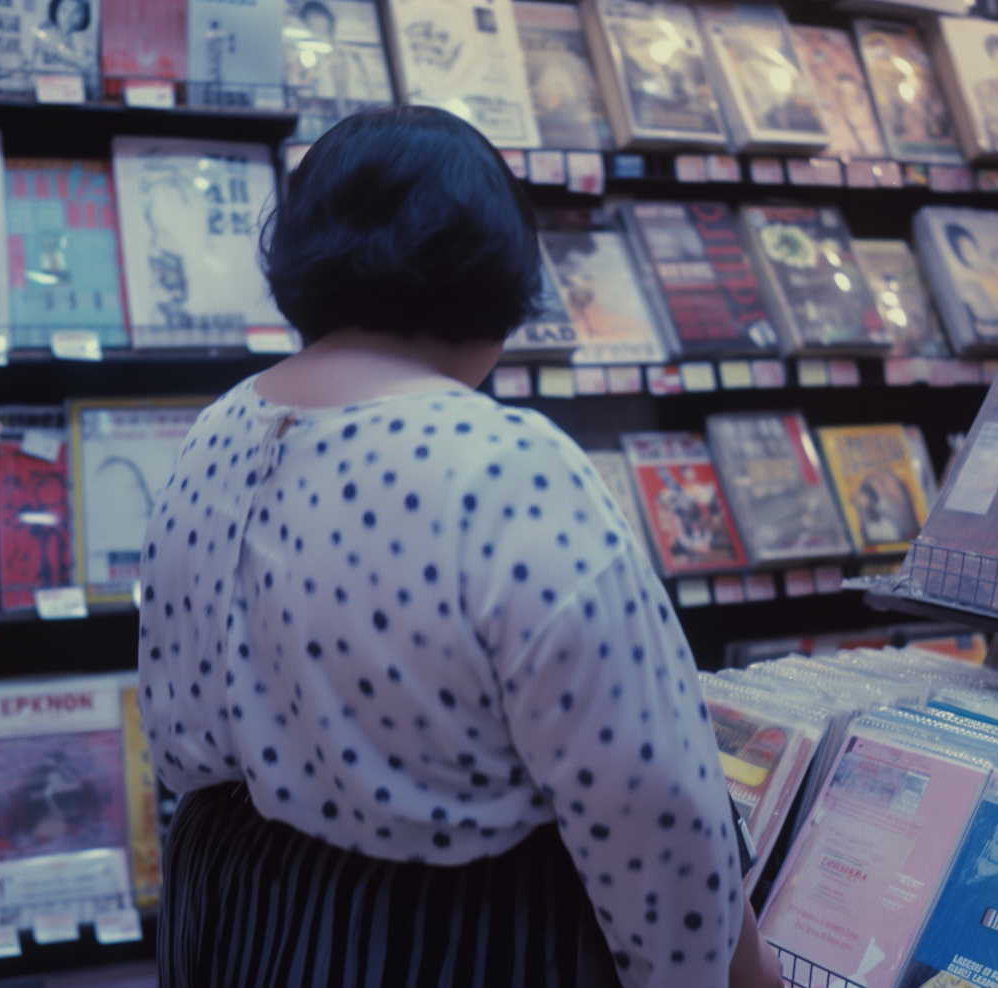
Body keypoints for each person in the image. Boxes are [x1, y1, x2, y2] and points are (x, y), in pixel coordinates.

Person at [138, 105, 782, 988]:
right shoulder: (508, 464)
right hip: (447, 938)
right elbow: (653, 805)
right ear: (498, 278)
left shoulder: (213, 432)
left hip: (234, 915)